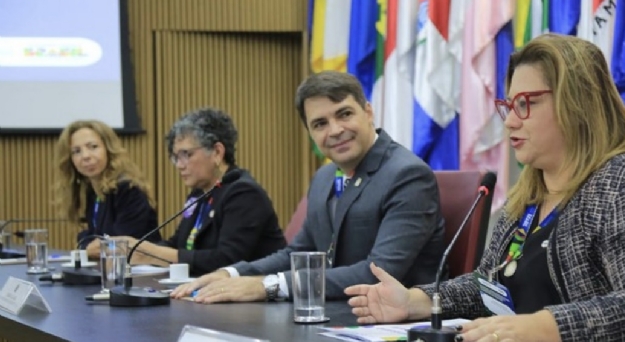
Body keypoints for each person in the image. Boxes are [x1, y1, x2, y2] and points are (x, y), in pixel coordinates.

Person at [345, 34, 625, 342]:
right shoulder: (529, 194)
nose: (511, 121)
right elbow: (489, 284)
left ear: (578, 103)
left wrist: (541, 327)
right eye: (509, 105)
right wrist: (416, 301)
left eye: (526, 104)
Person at [172, 71, 445, 303]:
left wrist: (268, 286)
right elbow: (297, 254)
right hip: (334, 313)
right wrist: (231, 274)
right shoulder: (324, 177)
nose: (335, 130)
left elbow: (378, 274)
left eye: (344, 114)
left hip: (398, 326)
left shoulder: (407, 175)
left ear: (368, 112)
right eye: (320, 124)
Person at [119, 108, 286, 276]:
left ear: (217, 152)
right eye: (176, 157)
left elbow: (227, 261)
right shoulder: (199, 194)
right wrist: (139, 251)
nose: (179, 165)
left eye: (186, 154)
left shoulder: (244, 194)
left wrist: (150, 253)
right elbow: (178, 245)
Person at [53, 120, 160, 258]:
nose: (85, 156)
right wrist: (87, 246)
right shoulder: (93, 191)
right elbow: (88, 238)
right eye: (76, 151)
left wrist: (88, 247)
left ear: (109, 149)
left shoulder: (128, 190)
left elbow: (119, 246)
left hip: (143, 268)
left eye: (93, 147)